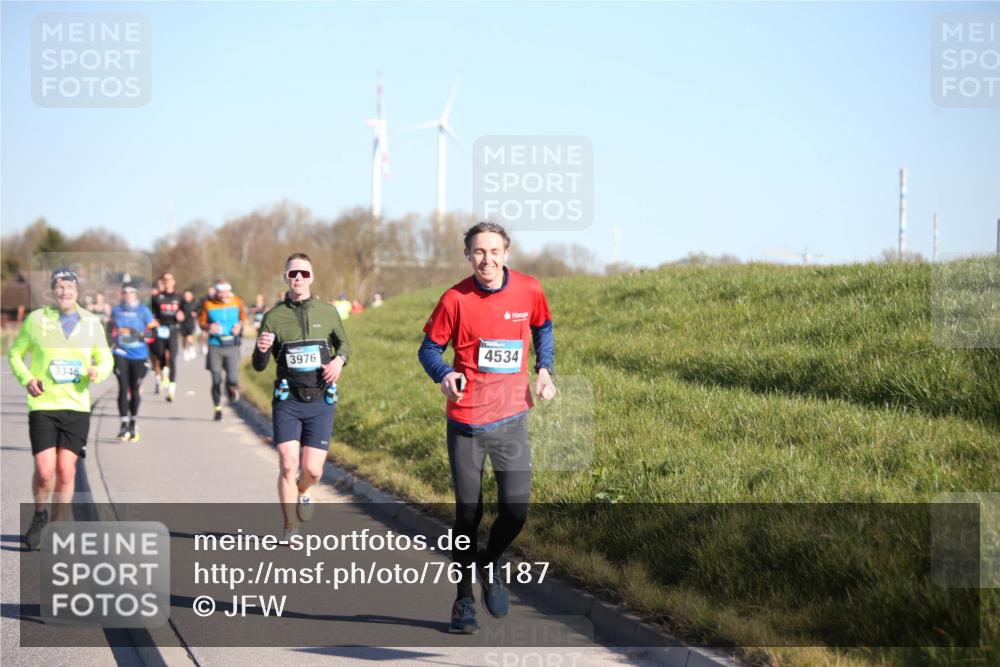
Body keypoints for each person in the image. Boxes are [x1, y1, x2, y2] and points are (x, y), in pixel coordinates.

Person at [418, 222, 556, 634]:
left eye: (494, 251)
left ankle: (490, 561)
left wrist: (544, 368)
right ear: (468, 255)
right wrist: (444, 373)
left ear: (506, 253)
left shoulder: (529, 289)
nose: (487, 259)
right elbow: (429, 349)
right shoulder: (454, 299)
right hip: (466, 421)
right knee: (468, 514)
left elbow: (543, 327)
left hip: (511, 417)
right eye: (478, 252)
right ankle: (463, 600)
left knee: (516, 510)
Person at [8, 268, 114, 549]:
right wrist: (28, 379)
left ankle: (56, 527)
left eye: (70, 287)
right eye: (60, 286)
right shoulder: (37, 320)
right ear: (53, 290)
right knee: (45, 471)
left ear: (77, 291)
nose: (65, 292)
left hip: (76, 406)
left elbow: (106, 359)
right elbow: (16, 354)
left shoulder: (91, 322)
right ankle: (40, 514)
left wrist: (98, 372)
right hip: (43, 404)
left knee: (66, 472)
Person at [252, 253, 349, 541]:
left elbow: (344, 345)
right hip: (288, 400)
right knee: (287, 464)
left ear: (311, 277)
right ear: (285, 277)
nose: (298, 278)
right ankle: (290, 527)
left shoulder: (327, 312)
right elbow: (259, 365)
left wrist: (339, 361)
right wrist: (261, 349)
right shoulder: (274, 316)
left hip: (320, 400)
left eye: (304, 273)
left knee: (313, 470)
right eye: (293, 273)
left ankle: (303, 490)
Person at [109, 284, 155, 441]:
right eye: (125, 292)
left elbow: (152, 331)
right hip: (121, 353)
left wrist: (142, 335)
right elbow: (110, 329)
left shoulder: (143, 310)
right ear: (122, 294)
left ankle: (133, 422)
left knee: (134, 389)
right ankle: (123, 424)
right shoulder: (116, 310)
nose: (128, 294)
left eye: (131, 292)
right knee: (123, 388)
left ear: (136, 294)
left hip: (139, 355)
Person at [199, 280, 246, 421]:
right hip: (215, 345)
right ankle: (217, 408)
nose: (222, 294)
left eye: (224, 291)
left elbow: (243, 318)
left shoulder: (236, 301)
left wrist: (239, 326)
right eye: (219, 292)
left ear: (229, 291)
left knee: (232, 378)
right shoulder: (208, 304)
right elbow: (201, 323)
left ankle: (230, 388)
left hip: (232, 344)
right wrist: (209, 327)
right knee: (216, 379)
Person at [151, 272, 185, 401]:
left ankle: (171, 388)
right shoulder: (157, 298)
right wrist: (153, 321)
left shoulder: (179, 297)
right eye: (165, 280)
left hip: (173, 330)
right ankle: (164, 371)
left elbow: (185, 313)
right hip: (160, 330)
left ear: (174, 282)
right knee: (160, 355)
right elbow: (152, 313)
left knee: (173, 358)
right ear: (163, 282)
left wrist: (182, 317)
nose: (167, 282)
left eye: (169, 279)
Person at [180, 289, 198, 361]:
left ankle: (191, 347)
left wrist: (195, 314)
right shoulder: (181, 303)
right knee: (184, 338)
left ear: (192, 296)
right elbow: (178, 311)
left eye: (188, 295)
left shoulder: (195, 303)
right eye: (186, 295)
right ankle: (185, 351)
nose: (187, 296)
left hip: (191, 322)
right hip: (183, 323)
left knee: (190, 336)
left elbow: (198, 311)